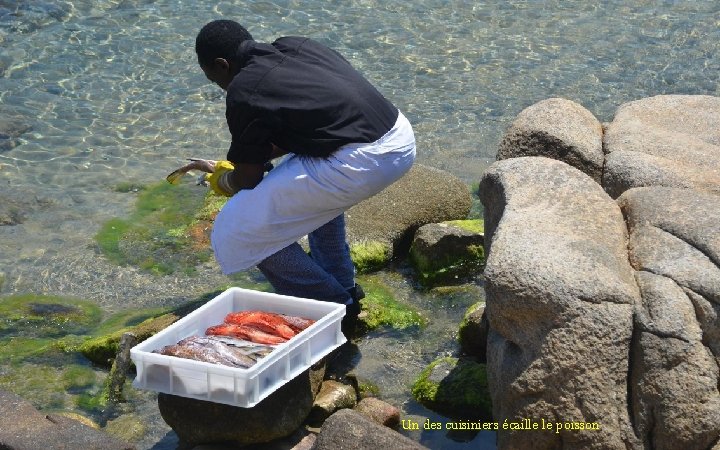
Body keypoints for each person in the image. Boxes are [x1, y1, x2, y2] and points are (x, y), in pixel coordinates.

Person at [174, 19, 416, 335]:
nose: (219, 86)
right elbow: (313, 128)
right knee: (312, 192)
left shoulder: (243, 91)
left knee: (236, 229)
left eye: (214, 79)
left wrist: (223, 181)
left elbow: (248, 180)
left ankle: (330, 305)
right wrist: (241, 163)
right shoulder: (297, 45)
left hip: (362, 160)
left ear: (222, 65)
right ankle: (344, 288)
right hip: (398, 136)